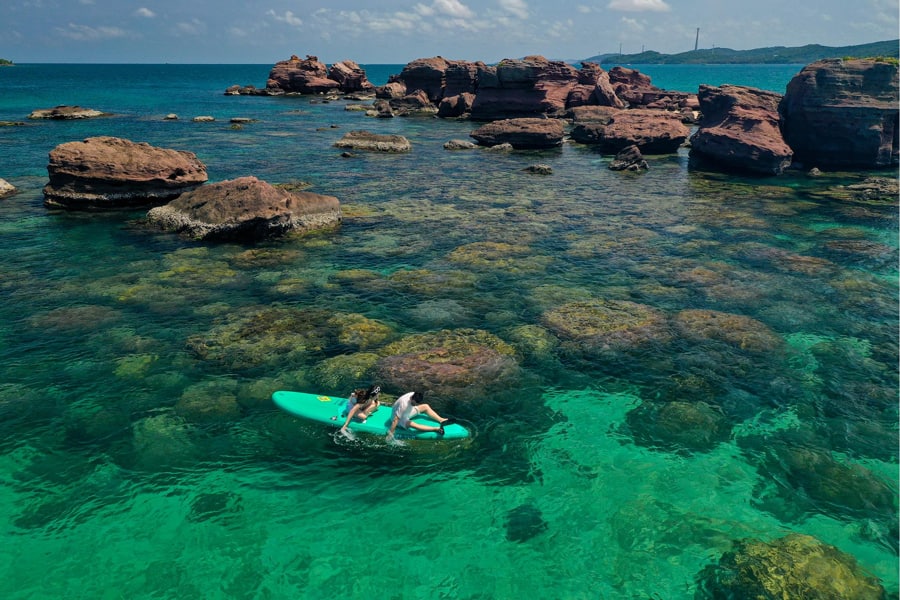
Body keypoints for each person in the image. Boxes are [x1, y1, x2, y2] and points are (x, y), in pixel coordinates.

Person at [386, 391, 450, 442]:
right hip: (399, 418)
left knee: (425, 406)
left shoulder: (414, 395)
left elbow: (413, 405)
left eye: (417, 403)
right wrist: (390, 434)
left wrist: (414, 405)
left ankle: (441, 420)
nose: (416, 405)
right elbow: (395, 420)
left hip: (407, 412)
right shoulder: (404, 404)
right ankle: (436, 429)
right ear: (412, 398)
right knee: (413, 424)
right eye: (415, 403)